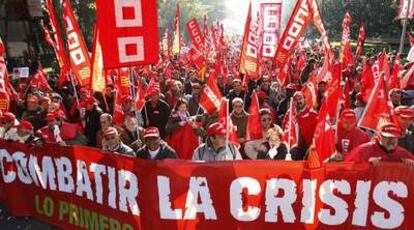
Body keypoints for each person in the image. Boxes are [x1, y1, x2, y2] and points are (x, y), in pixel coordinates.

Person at [345, 123, 414, 164]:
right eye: (388, 137)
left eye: (395, 137)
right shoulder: (362, 150)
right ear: (379, 136)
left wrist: (411, 165)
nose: (392, 140)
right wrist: (365, 164)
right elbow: (345, 167)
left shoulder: (403, 154)